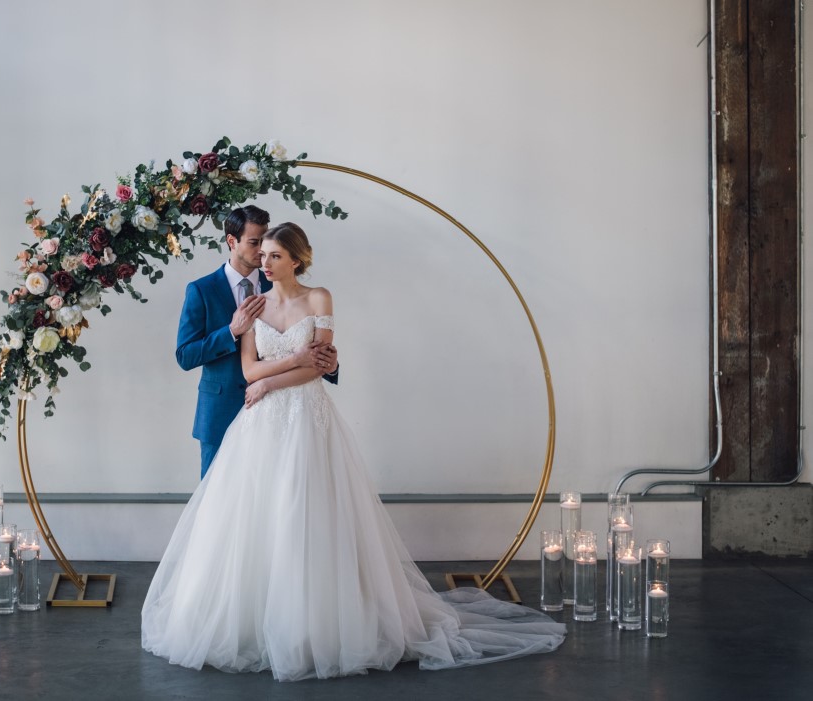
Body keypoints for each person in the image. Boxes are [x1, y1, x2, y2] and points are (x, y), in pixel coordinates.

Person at [144, 222, 566, 682]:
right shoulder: (248, 305)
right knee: (249, 520)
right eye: (259, 252)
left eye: (272, 255)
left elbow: (319, 365)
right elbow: (245, 369)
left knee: (309, 516)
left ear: (296, 260)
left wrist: (276, 374)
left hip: (306, 418)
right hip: (256, 421)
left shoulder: (320, 297)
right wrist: (280, 367)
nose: (263, 263)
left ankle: (315, 623)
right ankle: (252, 618)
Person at [175, 205, 337, 478]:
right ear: (232, 241)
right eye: (254, 243)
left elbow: (308, 343)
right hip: (221, 412)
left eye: (266, 243)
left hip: (281, 412)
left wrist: (330, 365)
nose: (263, 253)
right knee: (220, 503)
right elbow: (185, 355)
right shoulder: (201, 290)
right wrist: (230, 331)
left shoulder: (278, 277)